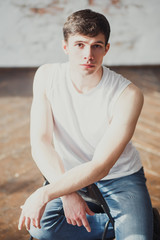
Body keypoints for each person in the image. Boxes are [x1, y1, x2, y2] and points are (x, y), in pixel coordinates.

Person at [18, 9, 153, 239]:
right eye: (80, 45)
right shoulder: (46, 76)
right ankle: (119, 225)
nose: (88, 54)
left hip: (120, 176)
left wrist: (45, 194)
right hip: (67, 173)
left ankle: (140, 223)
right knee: (39, 227)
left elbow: (101, 166)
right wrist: (66, 192)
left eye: (96, 46)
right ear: (65, 47)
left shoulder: (128, 94)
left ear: (106, 49)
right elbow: (41, 142)